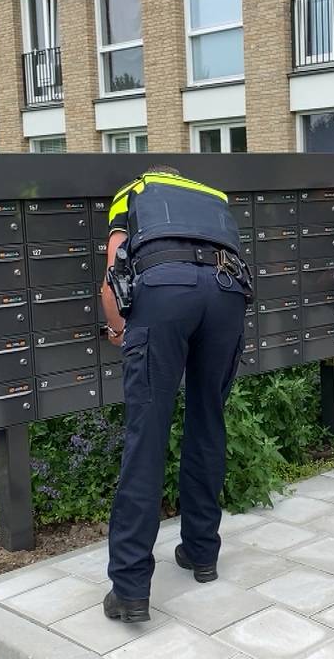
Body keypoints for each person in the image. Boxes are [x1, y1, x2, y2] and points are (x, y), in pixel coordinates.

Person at [99, 165, 250, 622]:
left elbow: (114, 273)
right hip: (228, 293)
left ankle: (129, 589)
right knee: (208, 422)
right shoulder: (212, 194)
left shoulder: (134, 189)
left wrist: (117, 328)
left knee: (147, 436)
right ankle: (202, 554)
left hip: (165, 290)